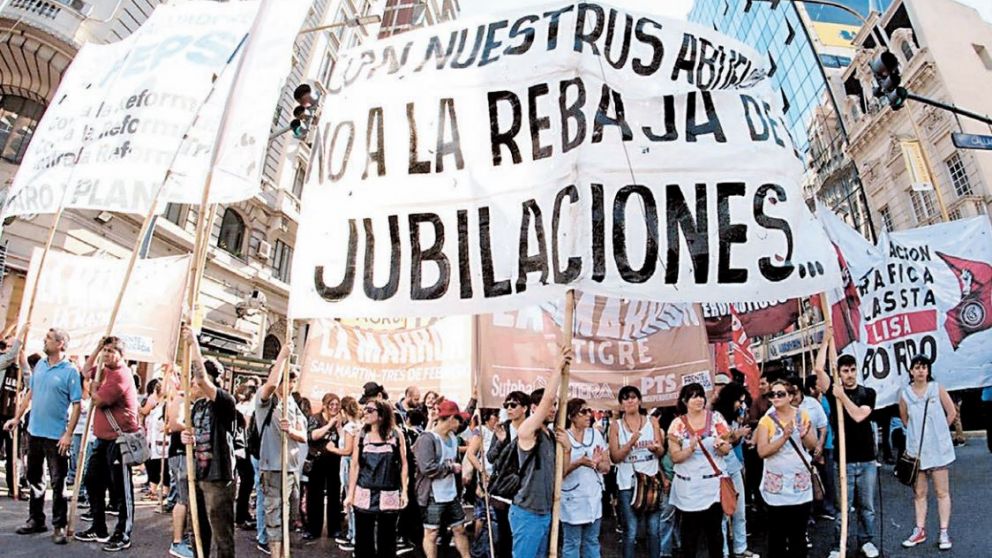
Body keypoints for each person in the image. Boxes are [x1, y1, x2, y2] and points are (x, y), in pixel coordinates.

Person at [4, 328, 81, 544]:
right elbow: (31, 393)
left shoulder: (70, 371)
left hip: (56, 436)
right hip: (34, 432)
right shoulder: (40, 366)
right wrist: (17, 417)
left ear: (60, 345)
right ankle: (36, 519)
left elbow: (77, 405)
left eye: (48, 339)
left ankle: (59, 525)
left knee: (58, 482)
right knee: (35, 479)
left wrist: (68, 434)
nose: (44, 342)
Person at [815, 340, 880, 558]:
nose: (850, 374)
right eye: (845, 371)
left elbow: (860, 415)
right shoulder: (833, 391)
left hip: (867, 460)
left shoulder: (867, 392)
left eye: (853, 370)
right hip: (843, 460)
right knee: (843, 508)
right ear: (839, 373)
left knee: (867, 507)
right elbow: (818, 369)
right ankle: (837, 545)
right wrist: (825, 341)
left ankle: (866, 541)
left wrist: (842, 396)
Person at [75, 336, 139, 552]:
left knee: (121, 489)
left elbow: (99, 400)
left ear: (121, 355)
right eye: (106, 350)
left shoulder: (121, 374)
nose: (107, 354)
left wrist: (93, 388)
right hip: (103, 440)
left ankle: (123, 533)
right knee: (93, 481)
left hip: (119, 441)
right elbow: (85, 370)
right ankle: (99, 526)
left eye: (112, 351)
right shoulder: (104, 369)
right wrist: (96, 348)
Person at [509, 346, 571, 558]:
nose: (553, 409)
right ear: (533, 408)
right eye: (549, 405)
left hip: (546, 512)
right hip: (527, 513)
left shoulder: (551, 436)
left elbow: (560, 474)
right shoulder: (526, 430)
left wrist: (568, 448)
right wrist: (558, 368)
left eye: (555, 405)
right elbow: (546, 401)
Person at [181, 325, 238, 558]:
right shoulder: (197, 406)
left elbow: (202, 380)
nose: (193, 383)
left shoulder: (224, 401)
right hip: (199, 473)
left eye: (197, 379)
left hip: (218, 476)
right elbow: (196, 434)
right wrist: (188, 437)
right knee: (197, 528)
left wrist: (194, 343)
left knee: (221, 532)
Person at [898, 354, 957, 551]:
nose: (921, 371)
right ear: (911, 371)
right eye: (917, 367)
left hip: (938, 450)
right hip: (917, 451)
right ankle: (919, 530)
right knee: (920, 493)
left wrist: (939, 431)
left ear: (928, 370)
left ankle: (943, 531)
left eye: (924, 367)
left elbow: (951, 412)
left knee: (942, 492)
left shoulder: (936, 388)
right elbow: (905, 419)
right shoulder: (905, 394)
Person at [668, 382, 732, 558]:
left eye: (701, 395)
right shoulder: (677, 425)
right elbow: (674, 456)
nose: (698, 400)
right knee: (689, 535)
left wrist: (721, 446)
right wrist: (690, 449)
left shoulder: (716, 418)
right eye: (693, 396)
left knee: (715, 534)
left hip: (712, 485)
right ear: (684, 400)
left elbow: (726, 449)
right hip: (688, 488)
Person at [756, 379, 818, 558]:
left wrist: (805, 435)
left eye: (780, 394)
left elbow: (812, 445)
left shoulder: (803, 415)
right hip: (776, 487)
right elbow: (762, 451)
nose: (775, 397)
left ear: (791, 396)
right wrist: (783, 438)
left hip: (800, 485)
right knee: (777, 538)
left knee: (798, 536)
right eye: (772, 394)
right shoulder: (766, 421)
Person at [256, 343, 308, 558]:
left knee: (290, 514)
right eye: (287, 378)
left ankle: (284, 551)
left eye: (293, 379)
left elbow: (304, 435)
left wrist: (292, 432)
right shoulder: (266, 401)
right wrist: (282, 356)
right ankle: (276, 554)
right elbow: (270, 385)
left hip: (292, 469)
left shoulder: (294, 405)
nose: (290, 383)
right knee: (274, 513)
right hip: (273, 467)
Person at [344, 398, 409, 558]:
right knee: (363, 539)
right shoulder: (361, 435)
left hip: (389, 492)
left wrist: (405, 491)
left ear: (381, 415)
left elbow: (404, 464)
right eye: (365, 409)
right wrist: (350, 494)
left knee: (387, 539)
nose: (365, 413)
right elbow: (355, 465)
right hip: (364, 491)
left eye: (370, 410)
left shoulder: (396, 434)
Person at [608, 385, 665, 558]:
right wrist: (630, 444)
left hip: (651, 480)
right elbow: (615, 457)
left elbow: (661, 452)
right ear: (621, 404)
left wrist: (655, 449)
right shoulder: (616, 426)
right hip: (627, 482)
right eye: (625, 398)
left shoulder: (652, 421)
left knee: (653, 529)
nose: (630, 401)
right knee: (630, 530)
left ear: (640, 401)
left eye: (633, 397)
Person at [414, 399, 472, 558]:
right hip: (432, 495)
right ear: (451, 418)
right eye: (458, 419)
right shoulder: (427, 438)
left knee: (459, 528)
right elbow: (426, 467)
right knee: (431, 533)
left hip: (451, 493)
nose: (460, 423)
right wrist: (450, 468)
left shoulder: (453, 437)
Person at [711, 381, 758, 558]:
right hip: (721, 470)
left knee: (740, 510)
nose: (741, 404)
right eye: (739, 400)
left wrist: (739, 436)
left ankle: (740, 548)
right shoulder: (715, 417)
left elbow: (735, 443)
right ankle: (723, 551)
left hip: (735, 466)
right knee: (723, 513)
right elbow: (718, 443)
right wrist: (735, 436)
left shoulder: (736, 415)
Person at [560, 398, 609, 558]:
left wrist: (597, 463)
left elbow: (606, 467)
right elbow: (560, 473)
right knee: (572, 543)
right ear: (571, 416)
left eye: (589, 411)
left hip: (593, 496)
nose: (588, 415)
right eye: (583, 412)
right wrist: (579, 463)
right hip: (571, 498)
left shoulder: (596, 434)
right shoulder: (563, 437)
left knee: (592, 541)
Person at [485, 390, 530, 558]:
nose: (509, 408)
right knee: (504, 533)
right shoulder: (503, 428)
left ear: (525, 408)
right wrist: (502, 442)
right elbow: (490, 457)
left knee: (522, 533)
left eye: (513, 405)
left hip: (526, 488)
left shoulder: (532, 427)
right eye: (506, 405)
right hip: (505, 489)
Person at [305, 393, 344, 540]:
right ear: (325, 405)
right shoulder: (316, 418)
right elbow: (313, 436)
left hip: (334, 461)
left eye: (336, 405)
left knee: (334, 495)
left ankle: (334, 529)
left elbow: (344, 441)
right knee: (315, 495)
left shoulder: (341, 420)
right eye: (331, 404)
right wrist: (329, 425)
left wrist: (339, 426)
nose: (334, 407)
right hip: (317, 460)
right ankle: (313, 529)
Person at [805, 375, 837, 521]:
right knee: (813, 477)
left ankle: (828, 506)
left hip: (828, 442)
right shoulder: (808, 403)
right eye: (818, 384)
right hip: (812, 445)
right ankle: (814, 509)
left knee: (828, 476)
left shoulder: (824, 398)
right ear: (811, 388)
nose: (821, 386)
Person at [336, 396, 362, 552]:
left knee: (350, 500)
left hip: (348, 465)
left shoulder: (349, 428)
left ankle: (354, 536)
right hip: (356, 466)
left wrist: (332, 449)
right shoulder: (359, 426)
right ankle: (353, 534)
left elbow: (347, 450)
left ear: (344, 411)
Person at [0, 336, 21, 496]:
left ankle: (14, 486)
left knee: (14, 454)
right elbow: (8, 357)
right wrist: (20, 335)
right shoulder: (2, 363)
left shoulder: (20, 369)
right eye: (7, 346)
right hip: (0, 414)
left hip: (13, 416)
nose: (8, 350)